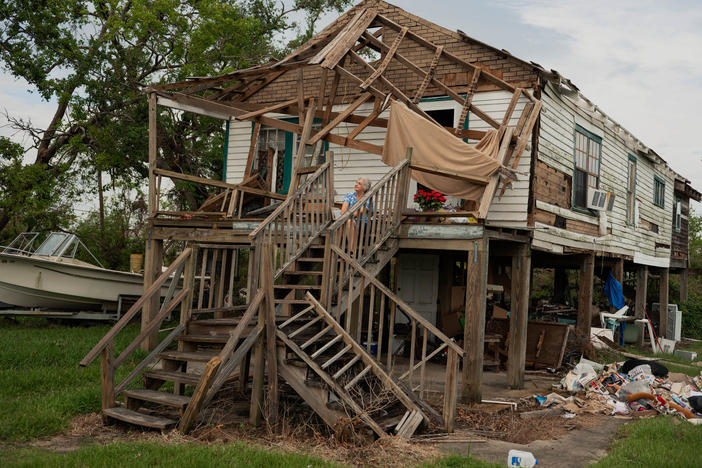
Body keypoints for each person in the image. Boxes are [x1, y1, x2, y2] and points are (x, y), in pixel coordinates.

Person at [340, 177, 372, 253]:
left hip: (363, 223)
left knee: (348, 222)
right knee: (344, 223)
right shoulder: (349, 195)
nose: (356, 184)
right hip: (349, 220)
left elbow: (361, 211)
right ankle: (337, 248)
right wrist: (348, 217)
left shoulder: (367, 197)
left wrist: (347, 216)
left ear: (364, 188)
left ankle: (351, 250)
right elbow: (342, 212)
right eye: (356, 182)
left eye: (359, 183)